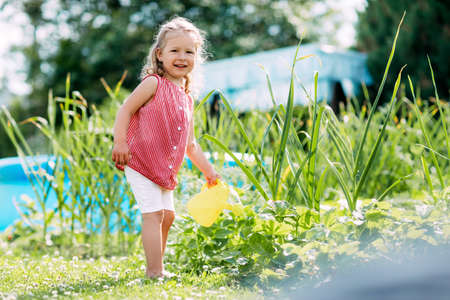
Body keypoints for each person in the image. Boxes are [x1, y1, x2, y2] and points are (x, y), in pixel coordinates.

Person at [111, 16, 220, 278]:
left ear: (197, 57)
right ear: (159, 55)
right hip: (139, 161)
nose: (182, 57)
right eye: (174, 51)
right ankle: (155, 271)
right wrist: (121, 141)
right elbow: (125, 110)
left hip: (163, 168)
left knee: (168, 216)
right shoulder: (153, 84)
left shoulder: (187, 98)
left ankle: (156, 266)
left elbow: (190, 145)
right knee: (154, 214)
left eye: (189, 52)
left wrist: (209, 172)